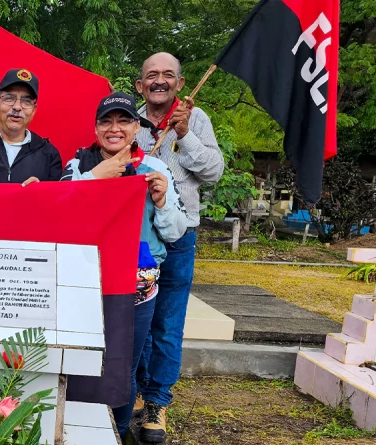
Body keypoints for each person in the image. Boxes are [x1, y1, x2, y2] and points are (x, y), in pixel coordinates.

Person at [61, 91, 187, 442]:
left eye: (123, 121)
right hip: (85, 280)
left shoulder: (155, 169)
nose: (114, 128)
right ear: (96, 127)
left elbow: (176, 232)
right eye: (106, 121)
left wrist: (162, 201)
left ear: (136, 127)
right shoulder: (78, 166)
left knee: (123, 365)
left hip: (136, 284)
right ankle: (73, 428)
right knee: (79, 360)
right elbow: (58, 213)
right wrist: (94, 179)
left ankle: (115, 431)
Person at [133, 52, 224, 443]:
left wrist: (184, 136)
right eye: (151, 75)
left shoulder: (196, 119)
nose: (159, 80)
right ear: (140, 85)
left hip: (180, 235)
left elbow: (214, 172)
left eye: (167, 75)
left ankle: (157, 401)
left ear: (180, 83)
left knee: (168, 322)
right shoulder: (127, 120)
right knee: (138, 320)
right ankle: (136, 390)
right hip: (139, 240)